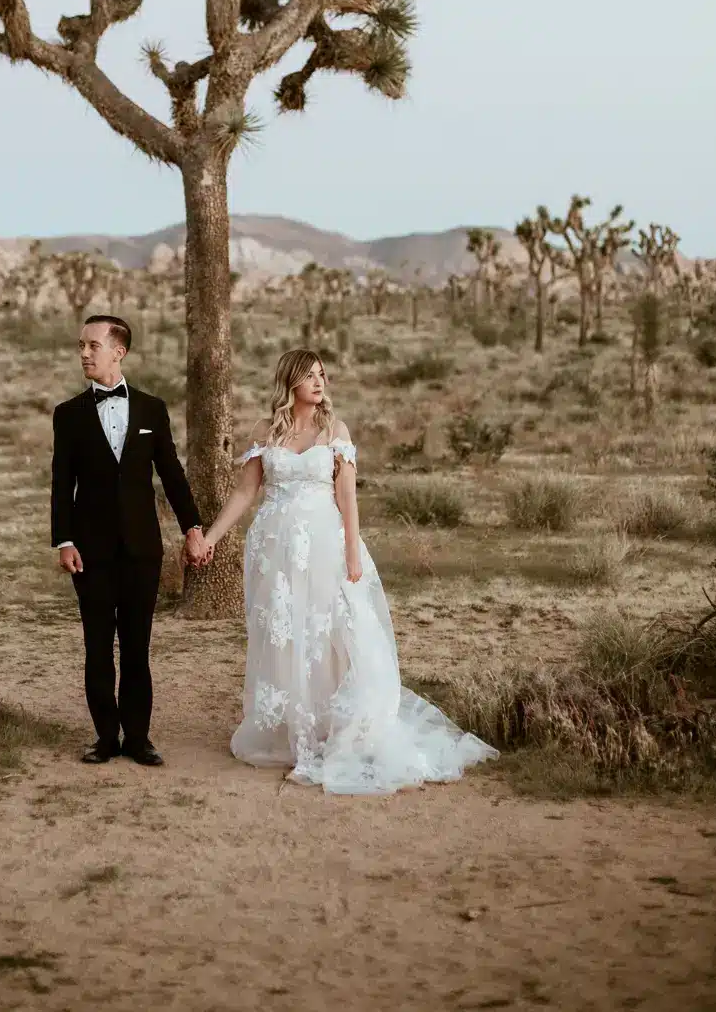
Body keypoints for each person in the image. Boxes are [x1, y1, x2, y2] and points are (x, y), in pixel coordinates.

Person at [194, 348, 499, 793]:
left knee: (330, 634)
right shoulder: (266, 431)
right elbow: (245, 492)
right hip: (275, 552)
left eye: (323, 375)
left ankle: (333, 728)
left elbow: (348, 498)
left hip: (326, 546)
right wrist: (211, 537)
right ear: (290, 382)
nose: (320, 382)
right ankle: (292, 729)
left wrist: (353, 554)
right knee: (285, 635)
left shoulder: (335, 431)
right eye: (310, 375)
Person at [52, 314, 207, 765]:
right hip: (90, 551)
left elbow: (173, 475)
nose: (84, 353)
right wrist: (63, 541)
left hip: (143, 550)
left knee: (137, 647)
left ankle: (138, 739)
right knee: (98, 646)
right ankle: (105, 737)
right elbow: (62, 483)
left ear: (118, 351)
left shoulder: (152, 409)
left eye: (92, 345)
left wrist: (192, 528)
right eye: (81, 345)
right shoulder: (68, 415)